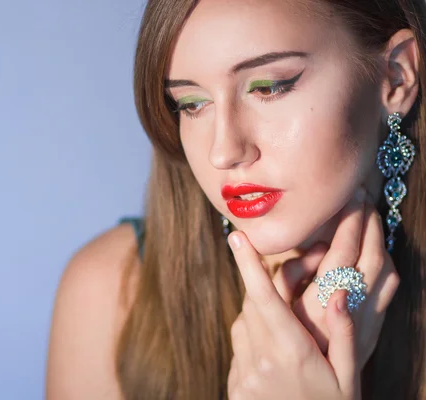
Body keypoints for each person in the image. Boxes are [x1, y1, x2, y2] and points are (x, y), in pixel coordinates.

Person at [46, 0, 426, 398]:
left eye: (268, 87)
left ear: (396, 76)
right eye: (192, 104)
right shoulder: (110, 292)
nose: (223, 151)